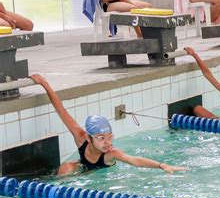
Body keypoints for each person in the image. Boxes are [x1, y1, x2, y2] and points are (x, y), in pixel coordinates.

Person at [30, 74, 186, 175]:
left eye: (109, 137)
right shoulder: (80, 137)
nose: (107, 142)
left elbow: (134, 161)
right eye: (101, 138)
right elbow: (60, 109)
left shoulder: (111, 153)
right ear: (89, 138)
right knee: (64, 168)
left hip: (105, 176)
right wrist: (45, 84)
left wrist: (162, 165)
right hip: (84, 168)